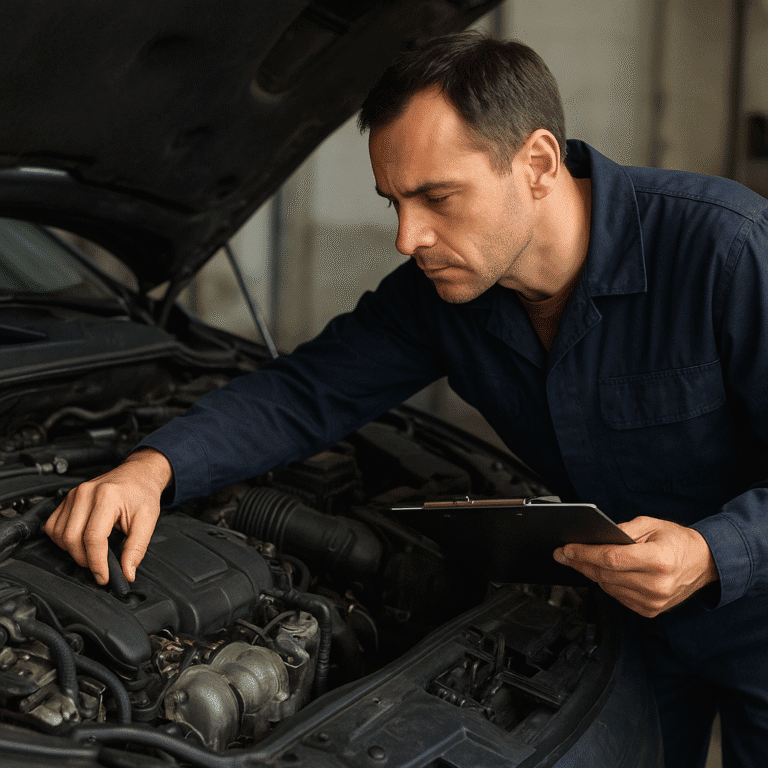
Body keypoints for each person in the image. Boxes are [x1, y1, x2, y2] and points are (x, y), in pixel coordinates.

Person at [44, 32, 768, 767]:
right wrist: (153, 467)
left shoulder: (725, 251)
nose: (406, 236)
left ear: (539, 163)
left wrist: (714, 551)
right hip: (626, 626)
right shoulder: (441, 296)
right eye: (393, 200)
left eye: (437, 197)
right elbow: (305, 393)